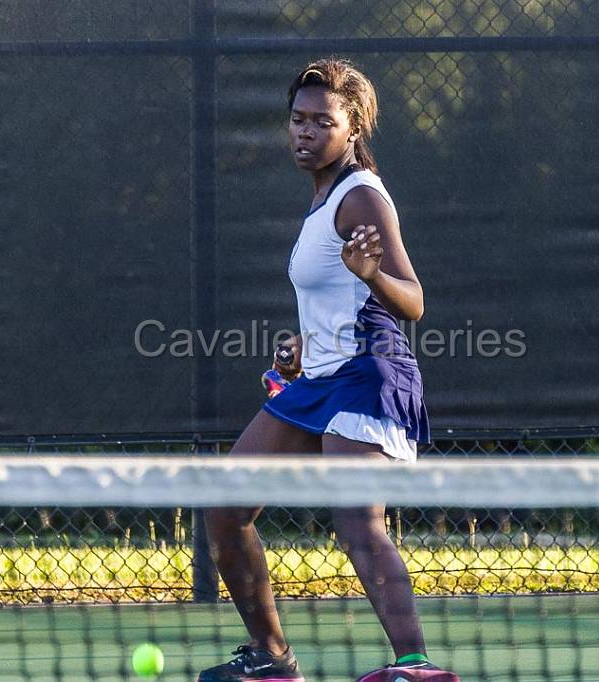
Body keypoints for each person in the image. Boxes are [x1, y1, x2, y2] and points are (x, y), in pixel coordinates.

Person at [198, 57, 458, 682]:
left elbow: (414, 300)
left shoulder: (361, 195)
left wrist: (372, 275)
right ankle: (272, 658)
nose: (305, 131)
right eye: (297, 119)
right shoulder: (321, 201)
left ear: (353, 130)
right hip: (320, 376)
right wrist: (303, 348)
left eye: (323, 121)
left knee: (358, 523)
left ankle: (416, 667)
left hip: (370, 374)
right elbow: (332, 302)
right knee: (225, 508)